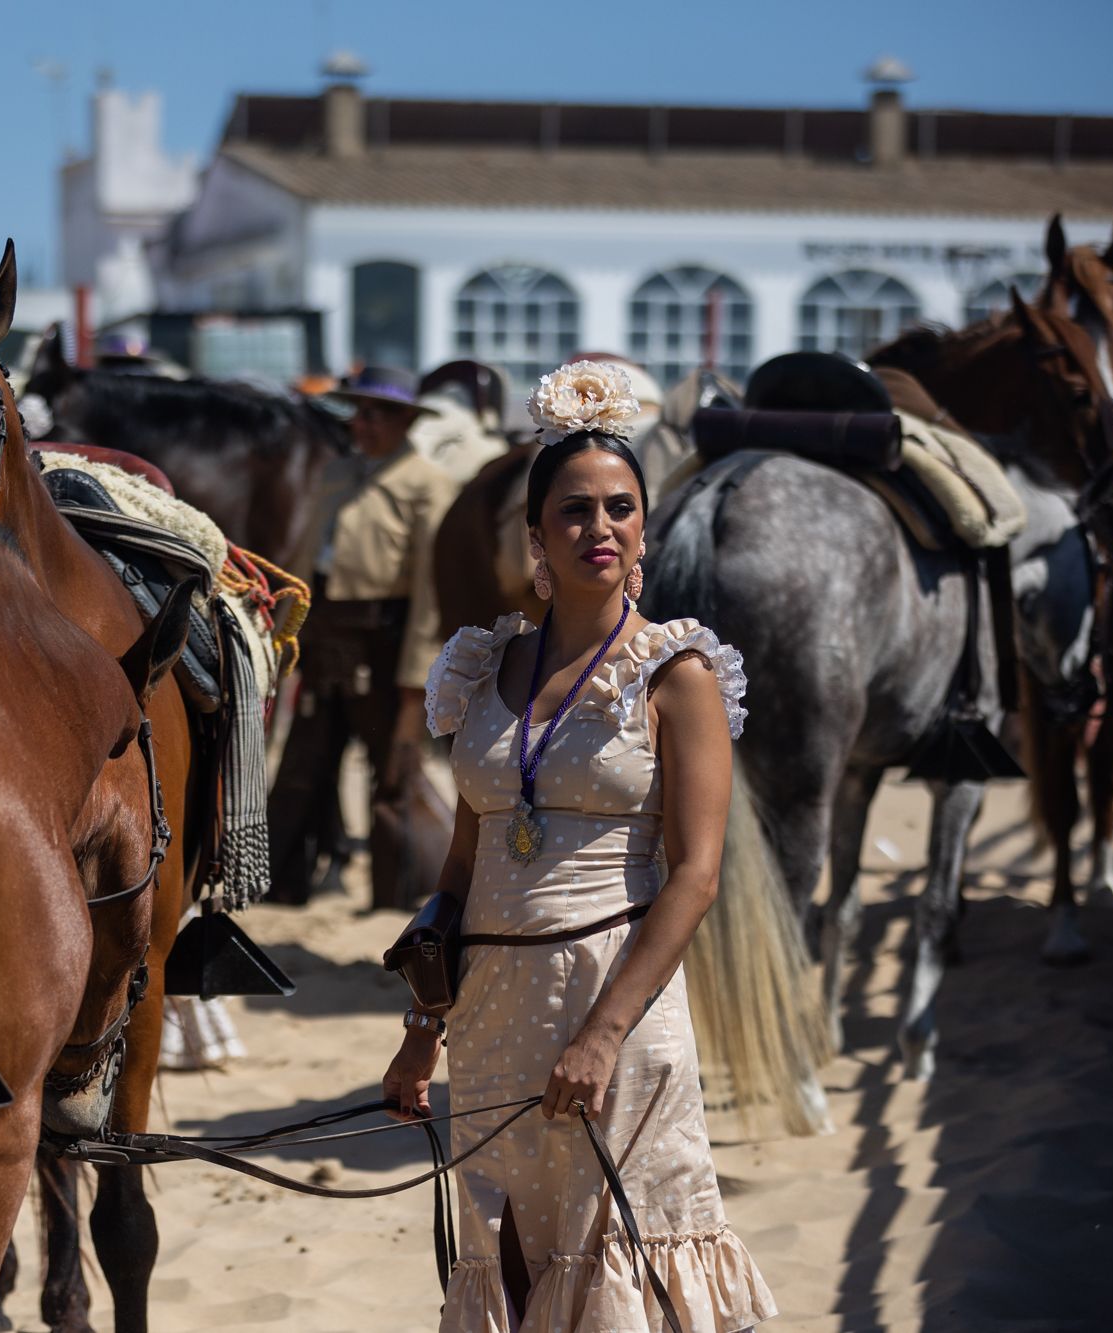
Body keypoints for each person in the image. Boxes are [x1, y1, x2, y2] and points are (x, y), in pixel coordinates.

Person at [381, 361, 774, 1330]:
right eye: (573, 510)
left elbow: (694, 874)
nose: (597, 527)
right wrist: (420, 1027)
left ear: (641, 529)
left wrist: (600, 1035)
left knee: (618, 1255)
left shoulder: (675, 674)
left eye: (618, 508)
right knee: (507, 1247)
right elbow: (462, 868)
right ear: (533, 536)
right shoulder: (479, 666)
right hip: (489, 1011)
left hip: (615, 1002)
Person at [267, 365, 461, 910]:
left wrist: (413, 676)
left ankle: (400, 892)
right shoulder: (336, 474)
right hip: (327, 628)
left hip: (385, 637)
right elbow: (305, 560)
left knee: (393, 768)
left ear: (405, 421)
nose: (363, 422)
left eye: (377, 413)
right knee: (305, 759)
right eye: (359, 411)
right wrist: (288, 632)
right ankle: (285, 882)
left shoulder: (428, 484)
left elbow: (429, 589)